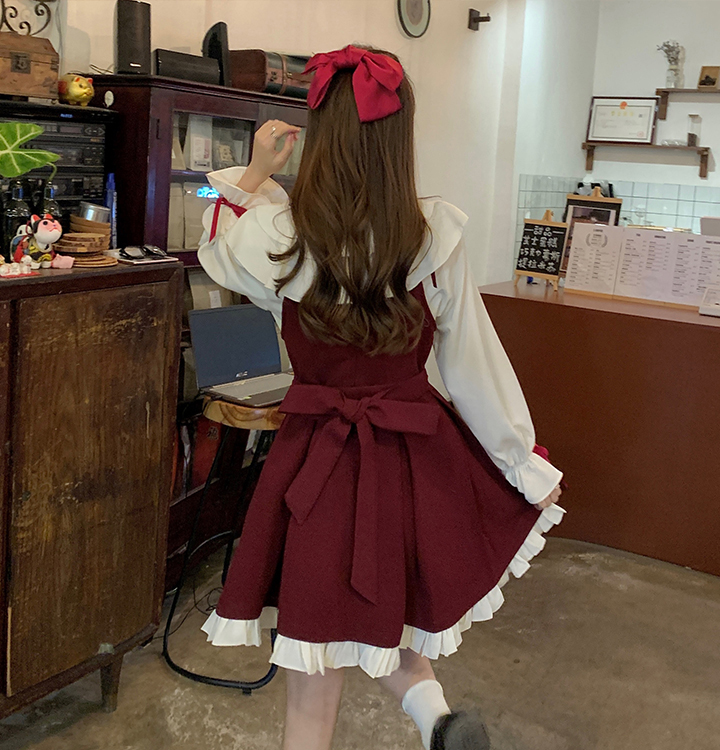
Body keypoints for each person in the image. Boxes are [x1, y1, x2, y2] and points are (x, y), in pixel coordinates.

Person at [198, 45, 564, 750]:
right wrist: (521, 462)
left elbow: (216, 245)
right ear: (401, 139)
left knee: (314, 646)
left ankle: (427, 726)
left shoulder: (279, 237)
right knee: (386, 610)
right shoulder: (431, 235)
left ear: (319, 137)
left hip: (314, 460)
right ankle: (438, 723)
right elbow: (472, 364)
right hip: (410, 458)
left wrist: (257, 171)